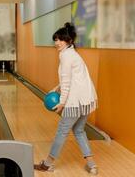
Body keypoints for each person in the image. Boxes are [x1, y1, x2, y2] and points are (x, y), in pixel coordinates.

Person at [34, 22, 98, 175]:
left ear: (68, 41)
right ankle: (92, 165)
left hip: (75, 102)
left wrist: (62, 103)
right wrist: (57, 87)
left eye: (60, 40)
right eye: (55, 40)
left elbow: (68, 83)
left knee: (62, 132)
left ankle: (47, 164)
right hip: (86, 100)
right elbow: (73, 78)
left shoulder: (66, 56)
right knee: (79, 131)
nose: (57, 43)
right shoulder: (73, 54)